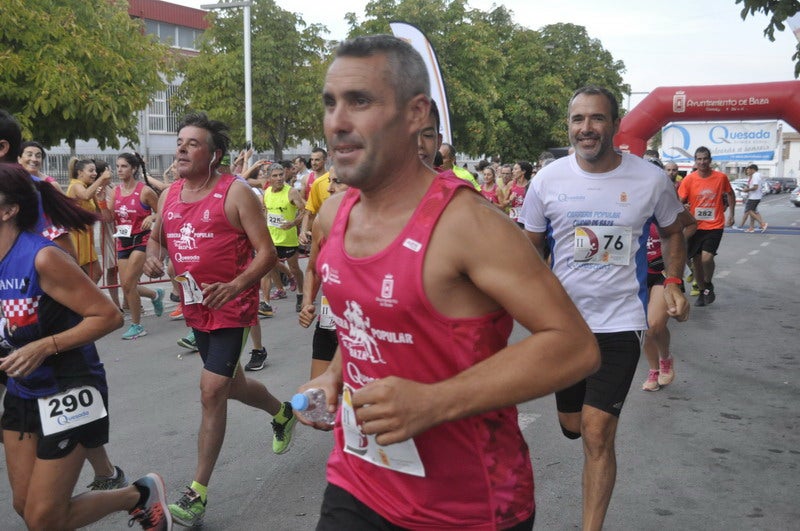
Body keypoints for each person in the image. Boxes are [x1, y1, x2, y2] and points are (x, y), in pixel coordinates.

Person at [299, 35, 599, 531]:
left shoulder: (468, 224)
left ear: (417, 113)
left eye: (360, 101)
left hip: (466, 508)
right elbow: (364, 322)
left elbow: (574, 347)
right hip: (358, 480)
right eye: (330, 103)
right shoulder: (333, 215)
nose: (337, 121)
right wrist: (335, 375)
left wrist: (434, 401)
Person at [521, 85, 690, 530]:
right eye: (578, 119)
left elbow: (674, 230)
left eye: (597, 118)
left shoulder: (649, 179)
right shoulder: (547, 181)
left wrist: (674, 281)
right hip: (564, 327)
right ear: (569, 126)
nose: (587, 128)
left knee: (597, 433)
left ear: (615, 124)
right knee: (573, 426)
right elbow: (529, 247)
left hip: (619, 323)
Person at [143, 112, 297, 527]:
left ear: (214, 155)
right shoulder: (169, 195)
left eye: (193, 143)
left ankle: (197, 493)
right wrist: (154, 257)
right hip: (195, 306)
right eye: (180, 142)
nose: (181, 149)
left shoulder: (236, 192)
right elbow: (156, 239)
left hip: (232, 305)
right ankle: (282, 413)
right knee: (232, 386)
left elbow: (267, 253)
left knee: (212, 390)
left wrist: (236, 284)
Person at [0, 163, 171, 530]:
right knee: (24, 506)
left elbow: (108, 316)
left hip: (69, 386)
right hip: (23, 388)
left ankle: (136, 496)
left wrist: (45, 346)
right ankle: (136, 495)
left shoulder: (43, 257)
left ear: (8, 210)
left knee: (43, 519)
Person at [641, 161, 698, 392]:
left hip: (662, 272)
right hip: (637, 273)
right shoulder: (628, 203)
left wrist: (676, 244)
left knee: (654, 324)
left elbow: (690, 224)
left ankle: (665, 358)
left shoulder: (665, 202)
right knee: (643, 326)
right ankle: (653, 369)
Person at [101, 153, 165, 340]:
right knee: (127, 285)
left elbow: (162, 211)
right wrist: (101, 201)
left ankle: (137, 326)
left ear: (134, 168)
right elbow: (108, 218)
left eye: (124, 166)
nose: (119, 170)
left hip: (141, 240)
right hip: (123, 241)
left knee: (129, 284)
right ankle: (155, 294)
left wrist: (151, 217)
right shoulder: (115, 192)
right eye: (117, 166)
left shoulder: (144, 191)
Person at [298, 175, 348, 378]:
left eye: (338, 181)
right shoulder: (321, 221)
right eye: (330, 182)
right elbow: (312, 269)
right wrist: (307, 303)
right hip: (328, 321)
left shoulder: (376, 225)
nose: (330, 188)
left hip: (362, 327)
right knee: (316, 394)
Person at [677, 146, 735, 306]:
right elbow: (679, 201)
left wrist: (732, 214)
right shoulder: (689, 179)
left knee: (706, 258)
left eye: (705, 159)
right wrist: (682, 211)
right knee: (696, 262)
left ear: (710, 160)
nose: (702, 162)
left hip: (715, 224)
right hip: (695, 226)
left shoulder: (720, 177)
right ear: (695, 161)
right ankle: (703, 291)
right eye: (699, 159)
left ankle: (708, 283)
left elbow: (730, 193)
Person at [262, 162, 306, 313]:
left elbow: (304, 211)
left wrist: (293, 223)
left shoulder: (291, 192)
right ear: (269, 178)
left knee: (294, 268)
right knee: (267, 269)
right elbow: (266, 211)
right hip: (272, 238)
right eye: (275, 176)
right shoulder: (267, 192)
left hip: (288, 239)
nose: (279, 178)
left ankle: (301, 294)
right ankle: (265, 303)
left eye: (281, 175)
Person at [66, 158, 110, 284]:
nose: (94, 174)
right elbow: (85, 195)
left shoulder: (87, 187)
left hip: (85, 237)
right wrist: (101, 179)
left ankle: (82, 295)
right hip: (77, 238)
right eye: (91, 171)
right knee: (95, 273)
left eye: (95, 171)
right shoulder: (76, 186)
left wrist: (102, 193)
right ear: (80, 173)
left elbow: (99, 211)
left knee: (87, 275)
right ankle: (83, 295)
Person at [738, 164, 768, 233]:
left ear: (752, 169)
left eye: (748, 170)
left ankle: (762, 223)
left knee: (749, 211)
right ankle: (751, 228)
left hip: (754, 197)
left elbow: (755, 187)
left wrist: (747, 190)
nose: (747, 172)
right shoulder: (758, 175)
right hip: (756, 196)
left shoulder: (755, 176)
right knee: (753, 211)